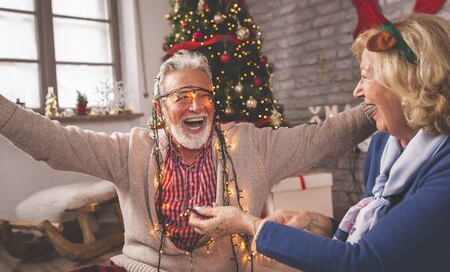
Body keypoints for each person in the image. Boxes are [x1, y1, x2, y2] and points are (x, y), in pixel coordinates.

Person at [0, 50, 374, 272]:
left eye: (203, 94)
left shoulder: (251, 145)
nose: (195, 105)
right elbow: (56, 143)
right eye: (181, 96)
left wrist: (380, 104)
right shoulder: (130, 149)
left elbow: (322, 137)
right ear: (161, 109)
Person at [189, 13, 450, 272]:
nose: (357, 91)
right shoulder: (383, 146)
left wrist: (249, 224)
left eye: (367, 76)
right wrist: (322, 224)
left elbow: (364, 261)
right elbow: (386, 242)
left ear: (407, 83)